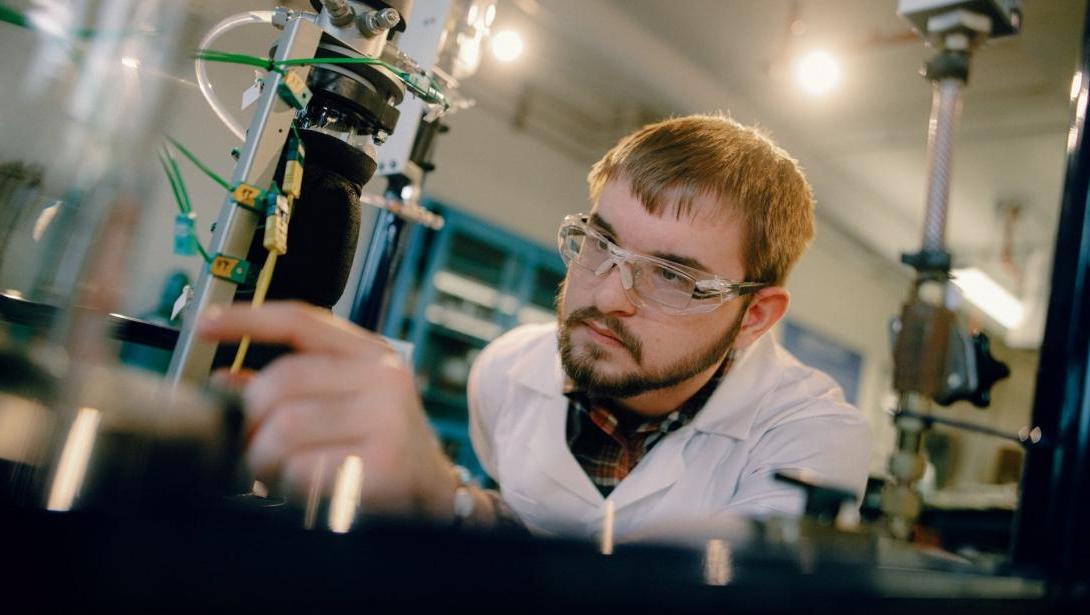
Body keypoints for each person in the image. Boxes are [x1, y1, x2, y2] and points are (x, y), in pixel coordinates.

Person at [197, 114, 871, 539]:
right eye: (600, 243)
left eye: (671, 275)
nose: (608, 294)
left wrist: (446, 502)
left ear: (754, 314)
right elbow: (530, 520)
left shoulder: (810, 443)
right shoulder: (504, 373)